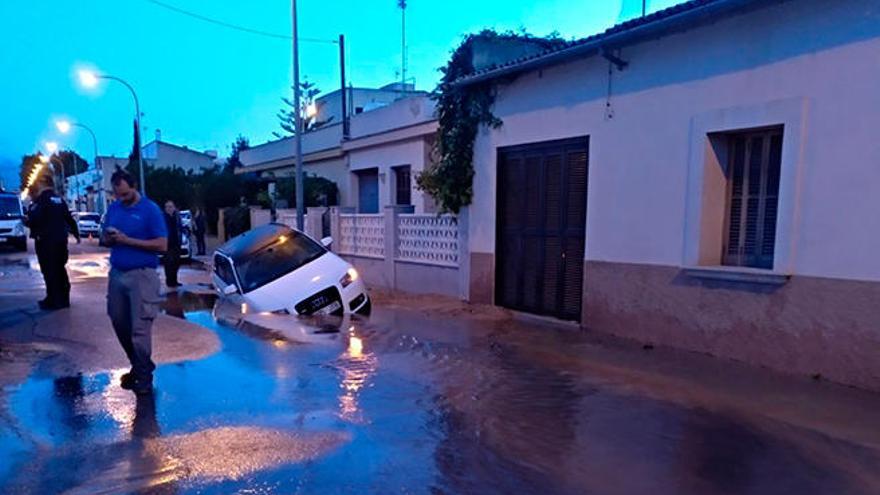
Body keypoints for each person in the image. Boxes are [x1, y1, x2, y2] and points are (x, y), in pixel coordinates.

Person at [101, 169, 167, 395]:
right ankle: (139, 366)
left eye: (126, 195)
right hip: (117, 274)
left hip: (142, 276)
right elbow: (103, 240)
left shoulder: (150, 210)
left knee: (140, 329)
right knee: (118, 322)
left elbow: (162, 245)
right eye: (118, 195)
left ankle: (144, 378)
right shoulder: (114, 208)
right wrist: (108, 238)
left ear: (134, 187)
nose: (122, 199)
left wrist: (127, 240)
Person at [25, 174, 80, 310]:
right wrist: (76, 234)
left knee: (49, 271)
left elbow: (35, 219)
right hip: (61, 241)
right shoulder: (59, 200)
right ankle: (64, 299)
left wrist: (26, 221)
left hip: (45, 242)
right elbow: (69, 218)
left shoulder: (41, 200)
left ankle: (53, 299)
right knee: (60, 269)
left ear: (43, 185)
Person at [162, 200, 183, 288]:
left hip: (176, 242)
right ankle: (169, 281)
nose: (169, 209)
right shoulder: (163, 218)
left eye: (171, 207)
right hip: (167, 244)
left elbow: (180, 227)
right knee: (169, 263)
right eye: (167, 207)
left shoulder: (177, 216)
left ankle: (175, 280)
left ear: (174, 208)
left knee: (177, 262)